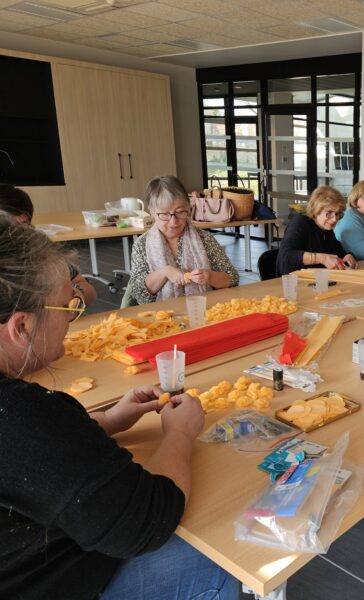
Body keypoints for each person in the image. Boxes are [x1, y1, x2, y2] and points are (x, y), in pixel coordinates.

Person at [0, 214, 238, 599]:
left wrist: (107, 420)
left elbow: (36, 459)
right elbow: (147, 519)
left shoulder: (25, 421)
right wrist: (179, 433)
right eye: (67, 309)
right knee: (217, 554)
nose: (73, 320)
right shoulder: (19, 418)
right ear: (22, 327)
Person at [128, 176, 238, 305]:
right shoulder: (142, 245)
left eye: (180, 212)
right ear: (152, 212)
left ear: (188, 208)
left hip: (204, 311)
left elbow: (232, 279)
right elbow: (139, 292)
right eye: (164, 214)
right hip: (160, 317)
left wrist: (210, 277)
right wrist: (164, 272)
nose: (173, 222)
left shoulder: (204, 239)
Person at [0, 183, 98, 307]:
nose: (18, 235)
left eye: (24, 226)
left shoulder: (39, 249)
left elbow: (86, 287)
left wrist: (76, 295)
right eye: (7, 229)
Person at [276, 185, 357, 276]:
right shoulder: (300, 223)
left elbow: (338, 251)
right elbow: (286, 255)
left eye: (338, 213)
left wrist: (347, 256)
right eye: (329, 213)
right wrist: (323, 258)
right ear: (316, 209)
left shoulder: (326, 228)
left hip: (316, 281)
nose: (335, 219)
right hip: (293, 282)